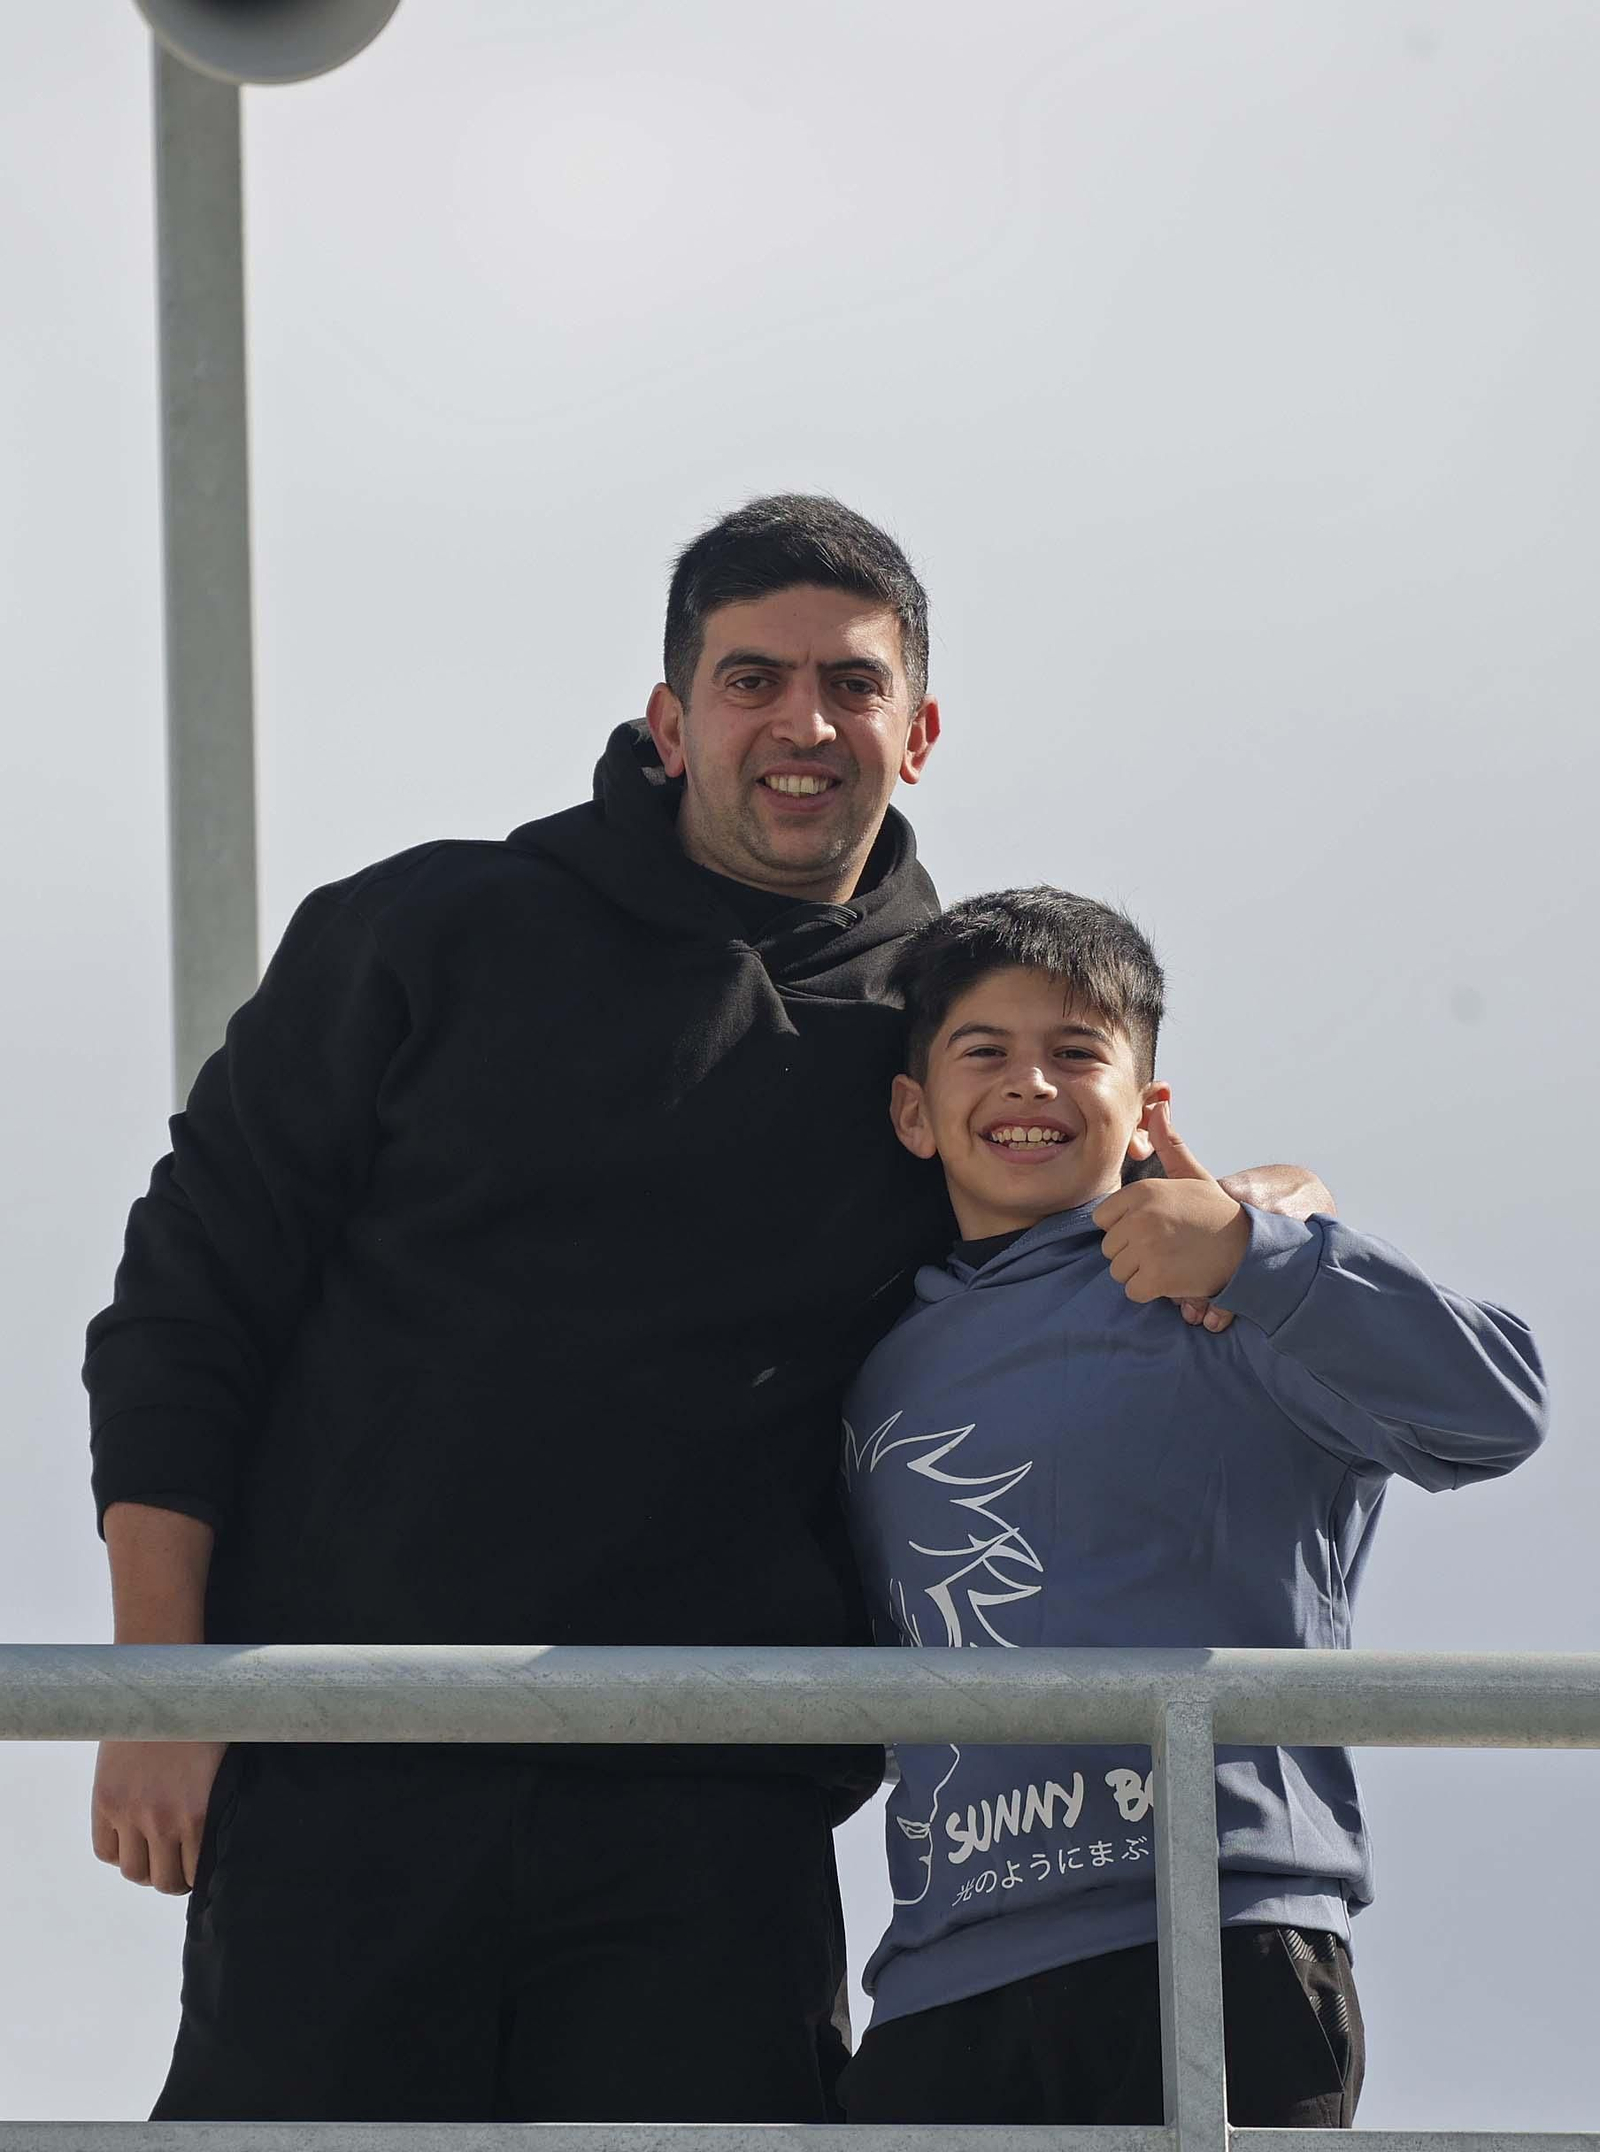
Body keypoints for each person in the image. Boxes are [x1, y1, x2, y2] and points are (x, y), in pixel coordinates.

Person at [83, 497, 1330, 2123]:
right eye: (751, 679)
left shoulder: (940, 1031)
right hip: (351, 1767)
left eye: (850, 683)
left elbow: (1111, 1187)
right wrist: (157, 1693)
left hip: (715, 1808)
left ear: (921, 728)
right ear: (672, 719)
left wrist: (1273, 1207)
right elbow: (188, 1308)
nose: (803, 723)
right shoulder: (425, 932)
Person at [838, 886, 1547, 2130]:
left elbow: (1497, 1408)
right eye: (984, 1052)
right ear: (912, 1109)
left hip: (1212, 1930)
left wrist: (1254, 1251)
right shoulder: (870, 1357)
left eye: (1076, 1051)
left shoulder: (1223, 1288)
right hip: (941, 1976)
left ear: (1143, 1104)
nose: (1030, 1085)